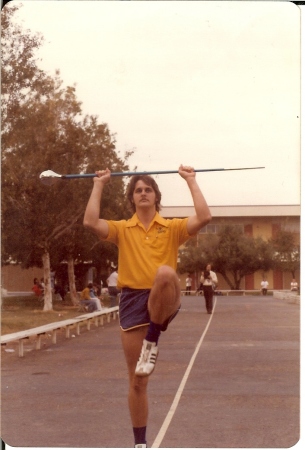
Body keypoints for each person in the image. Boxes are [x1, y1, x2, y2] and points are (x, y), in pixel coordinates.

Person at [83, 164, 211, 448]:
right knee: (138, 381)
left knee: (165, 273)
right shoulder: (122, 229)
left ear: (156, 196)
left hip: (165, 295)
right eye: (138, 190)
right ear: (132, 198)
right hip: (132, 301)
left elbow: (204, 216)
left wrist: (190, 180)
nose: (143, 193)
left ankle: (153, 337)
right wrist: (99, 185)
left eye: (148, 189)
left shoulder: (172, 228)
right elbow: (90, 222)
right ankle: (140, 443)